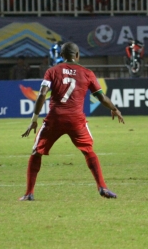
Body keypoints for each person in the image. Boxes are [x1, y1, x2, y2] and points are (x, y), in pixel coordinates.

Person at [19, 42, 124, 201]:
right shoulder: (87, 73)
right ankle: (102, 186)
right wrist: (114, 108)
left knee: (36, 152)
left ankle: (29, 193)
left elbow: (42, 94)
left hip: (55, 118)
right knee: (88, 151)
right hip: (76, 120)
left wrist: (34, 119)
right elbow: (101, 97)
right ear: (77, 55)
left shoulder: (52, 71)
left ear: (61, 56)